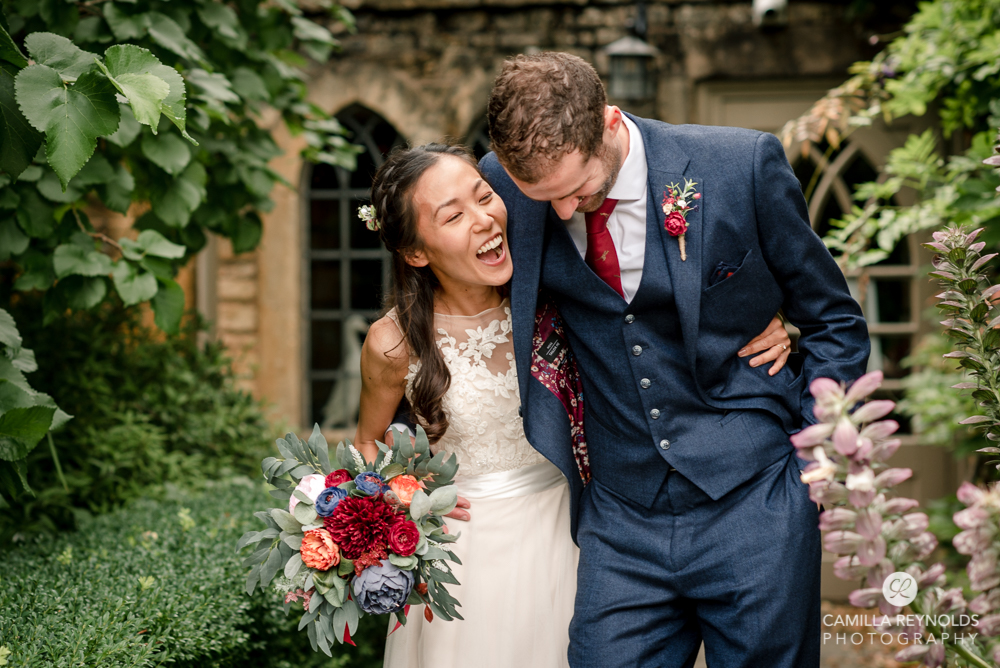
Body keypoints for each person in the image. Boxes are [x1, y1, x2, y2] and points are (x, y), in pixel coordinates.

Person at [481, 52, 870, 668]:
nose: (559, 212)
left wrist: (819, 459)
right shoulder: (501, 186)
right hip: (620, 516)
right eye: (541, 197)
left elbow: (834, 321)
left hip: (755, 500)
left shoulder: (738, 165)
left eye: (576, 190)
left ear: (609, 124)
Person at [351, 143, 793, 668]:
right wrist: (401, 503)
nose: (485, 219)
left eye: (485, 196)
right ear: (416, 252)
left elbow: (651, 330)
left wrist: (756, 324)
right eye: (453, 215)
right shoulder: (392, 343)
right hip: (465, 553)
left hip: (577, 532)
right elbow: (366, 445)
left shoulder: (553, 296)